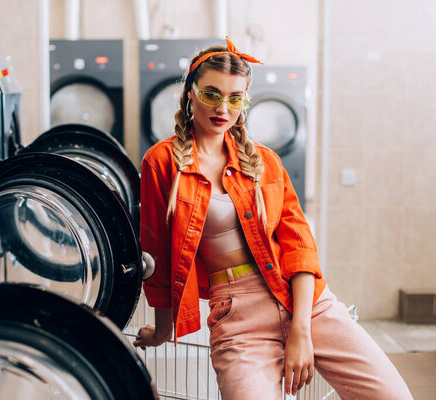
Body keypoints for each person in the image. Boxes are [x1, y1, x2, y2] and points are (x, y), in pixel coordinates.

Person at [133, 37, 412, 400]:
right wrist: (160, 331)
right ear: (191, 93)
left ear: (244, 102)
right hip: (238, 317)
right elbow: (158, 257)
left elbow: (299, 246)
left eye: (235, 98)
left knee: (393, 396)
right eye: (212, 94)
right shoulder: (163, 162)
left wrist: (300, 332)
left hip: (308, 306)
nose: (223, 108)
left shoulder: (264, 161)